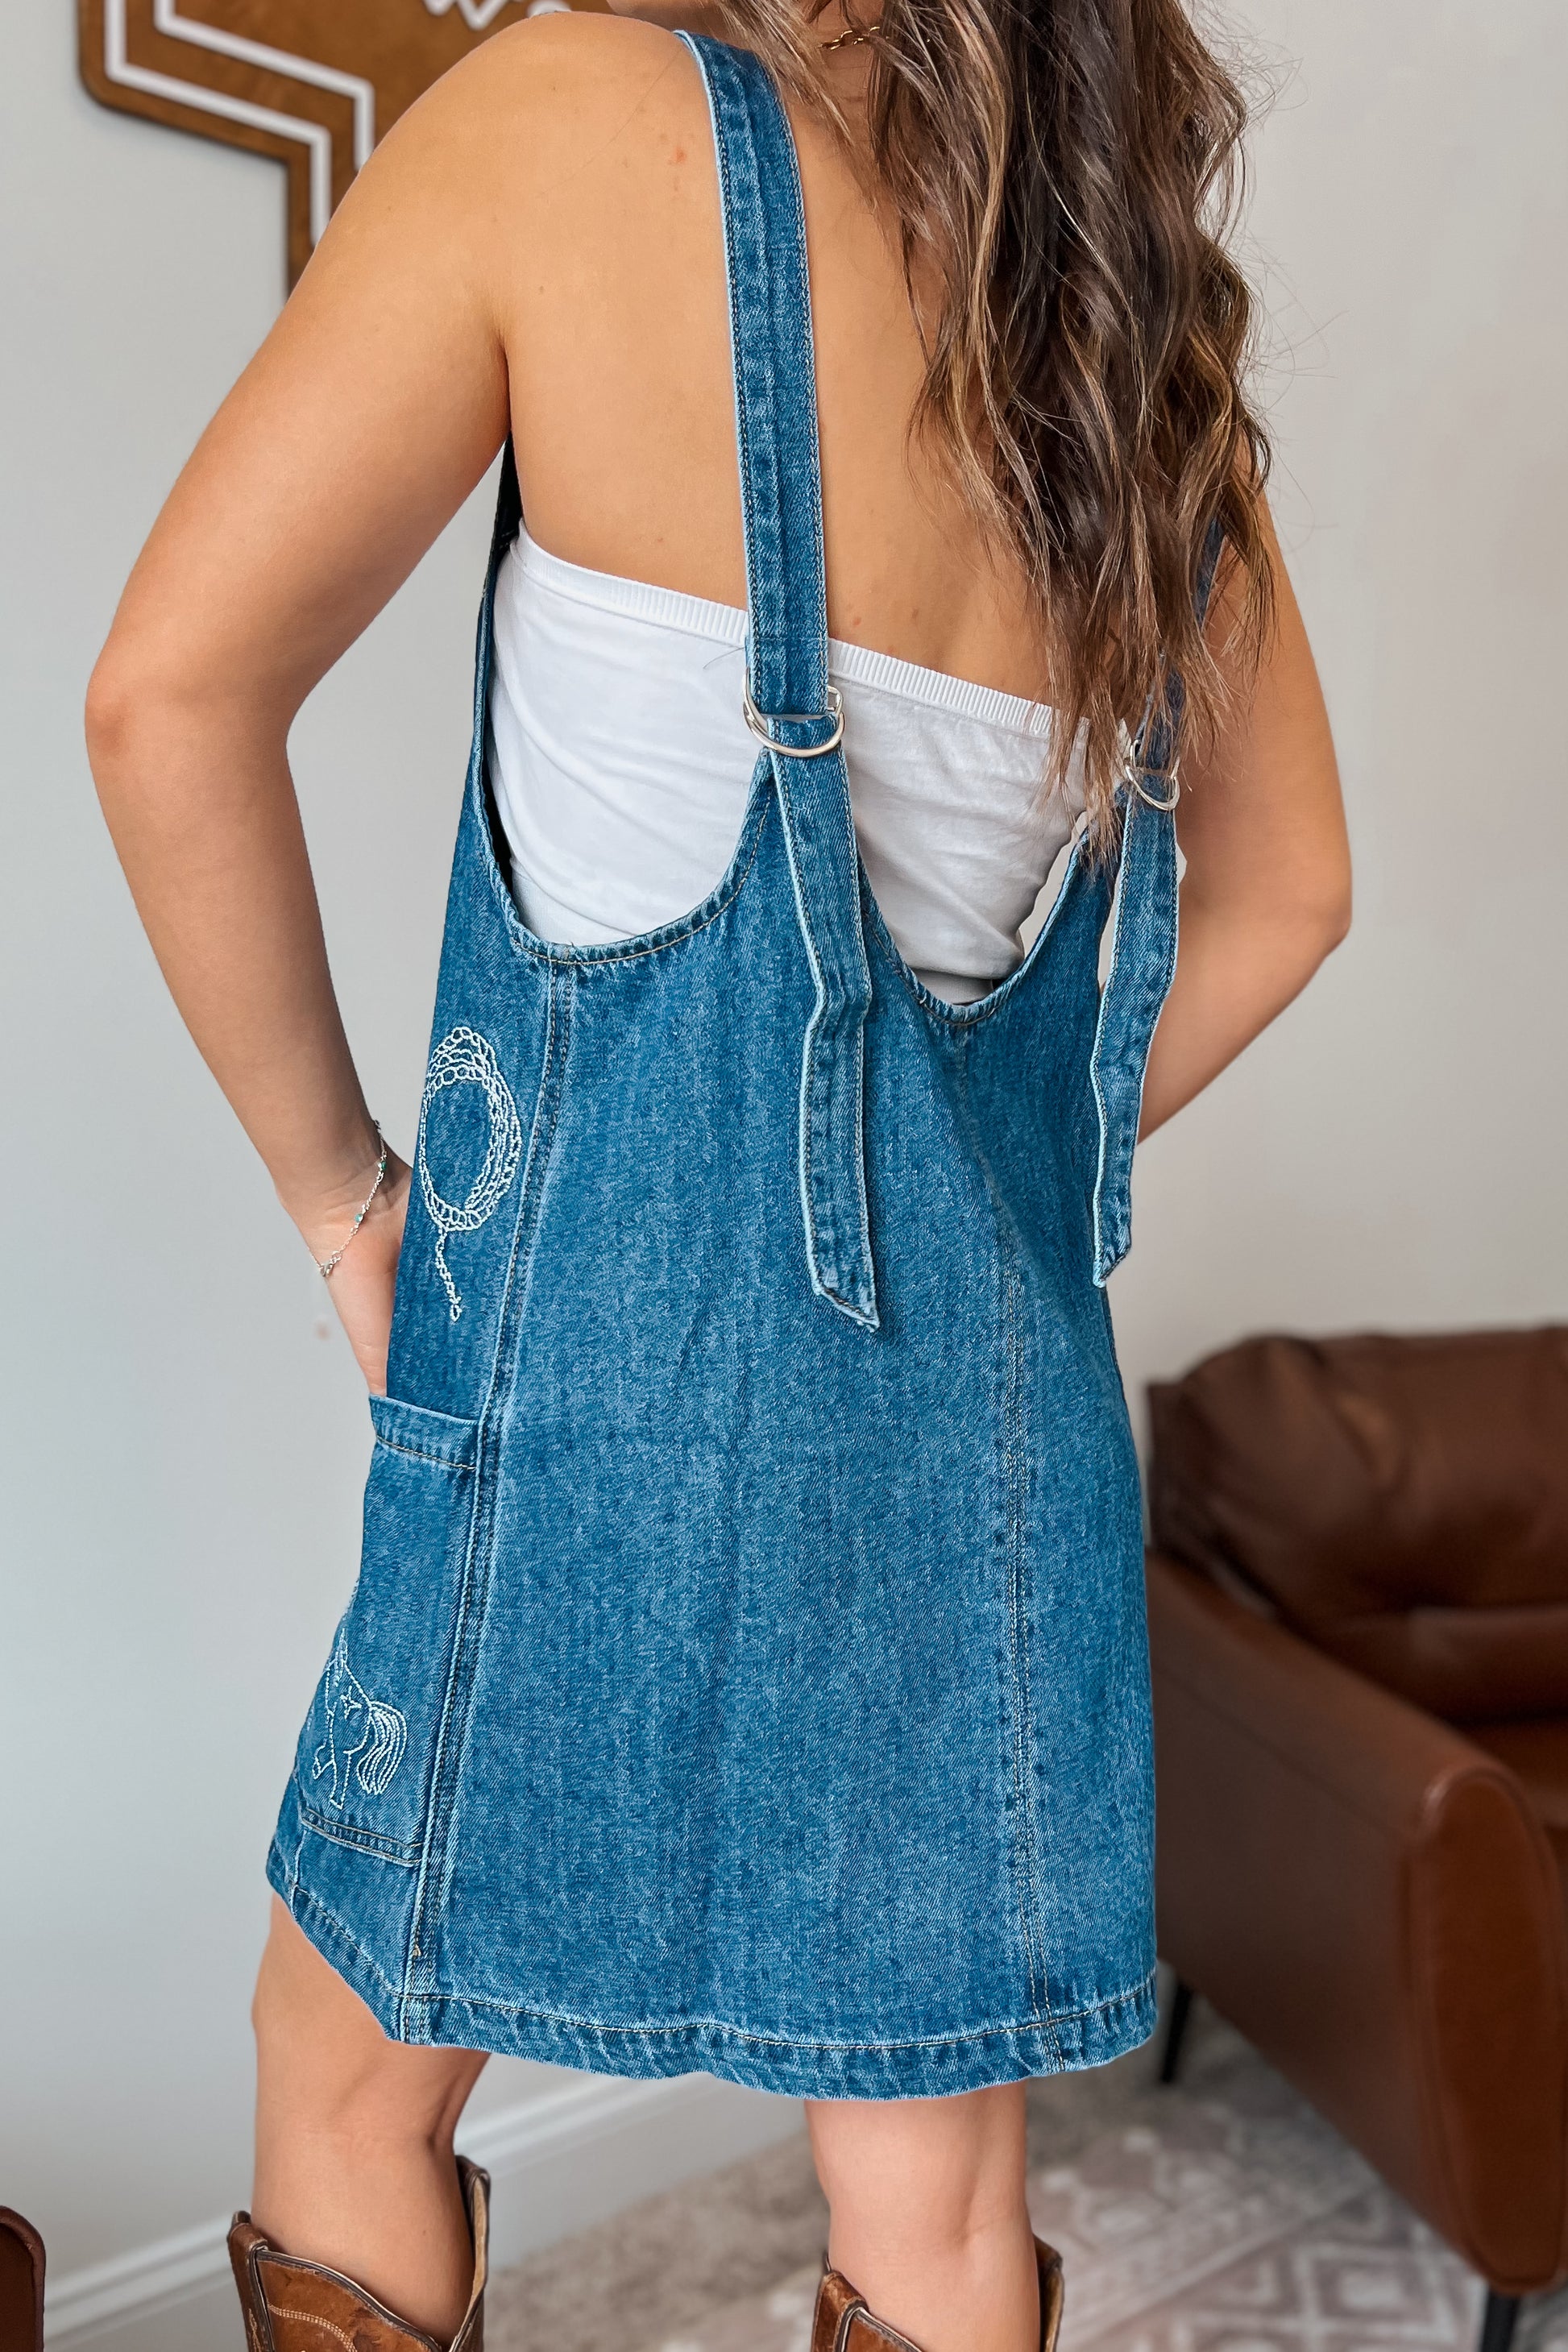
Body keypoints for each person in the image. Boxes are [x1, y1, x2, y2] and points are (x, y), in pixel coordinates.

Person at [85, 0, 1349, 2338]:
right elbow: (1287, 896)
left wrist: (349, 1200)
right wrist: (953, 1170)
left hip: (585, 1385)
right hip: (967, 1431)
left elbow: (165, 701)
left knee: (348, 2078)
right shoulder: (1119, 316)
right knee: (937, 2198)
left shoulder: (572, 115)